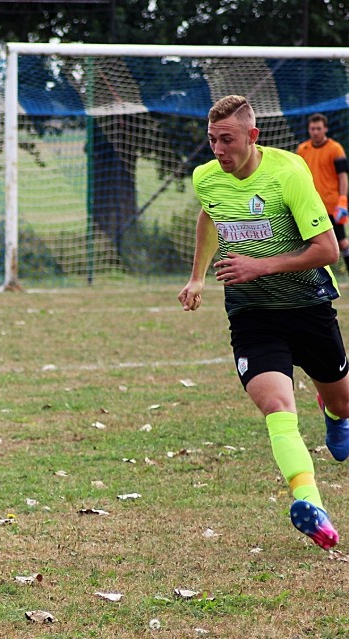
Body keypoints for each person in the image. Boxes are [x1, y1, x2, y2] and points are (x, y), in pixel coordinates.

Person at [178, 95, 349, 551]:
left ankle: (333, 413)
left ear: (253, 137)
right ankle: (310, 503)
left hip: (308, 306)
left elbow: (328, 250)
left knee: (344, 401)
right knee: (277, 407)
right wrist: (197, 277)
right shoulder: (207, 179)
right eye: (212, 140)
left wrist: (260, 266)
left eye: (227, 139)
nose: (218, 149)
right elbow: (209, 217)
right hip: (252, 315)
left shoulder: (288, 172)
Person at [296, 112, 349, 274]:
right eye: (312, 129)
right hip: (311, 207)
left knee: (342, 243)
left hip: (332, 206)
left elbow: (343, 176)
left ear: (325, 129)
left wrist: (342, 200)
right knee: (311, 245)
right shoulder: (302, 150)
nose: (315, 132)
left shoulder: (335, 149)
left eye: (318, 128)